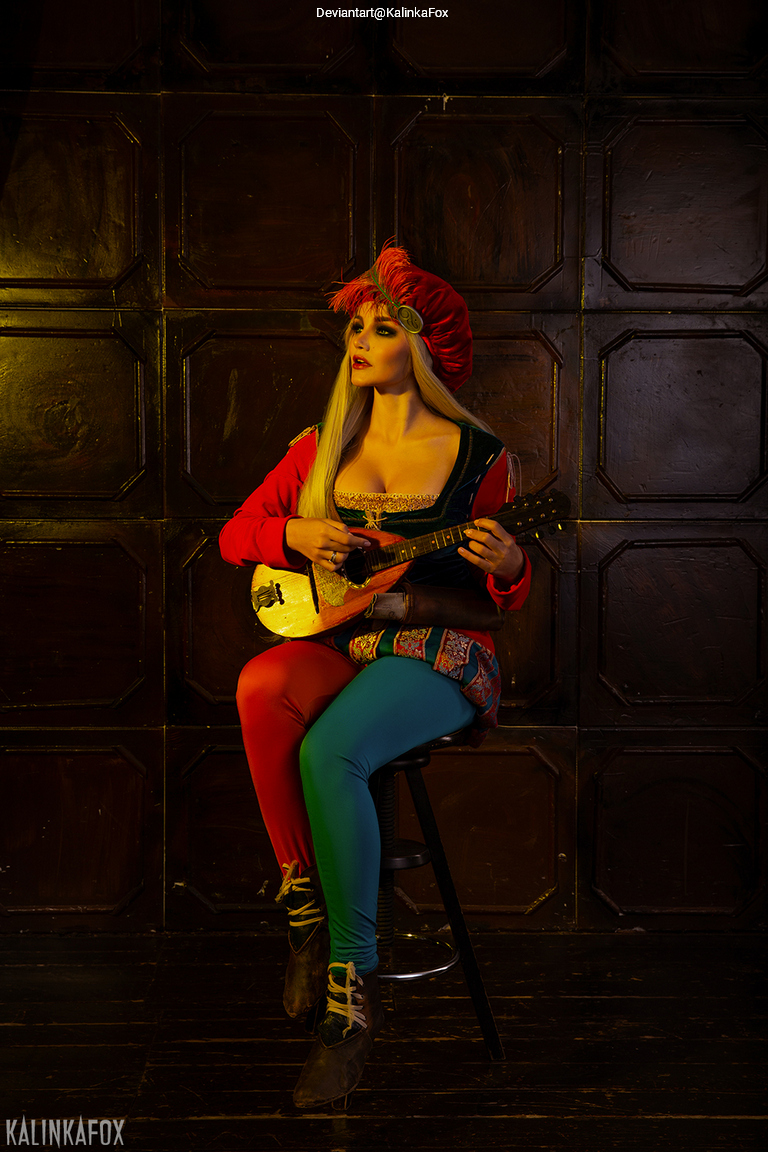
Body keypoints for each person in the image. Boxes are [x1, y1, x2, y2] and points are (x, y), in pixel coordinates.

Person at [218, 245, 532, 1108]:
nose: (361, 337)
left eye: (383, 326)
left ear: (424, 349)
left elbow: (505, 596)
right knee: (259, 685)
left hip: (437, 652)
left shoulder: (481, 459)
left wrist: (507, 562)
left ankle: (349, 1001)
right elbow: (233, 537)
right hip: (343, 641)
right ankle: (304, 909)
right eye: (356, 324)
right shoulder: (321, 448)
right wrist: (292, 537)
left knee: (330, 754)